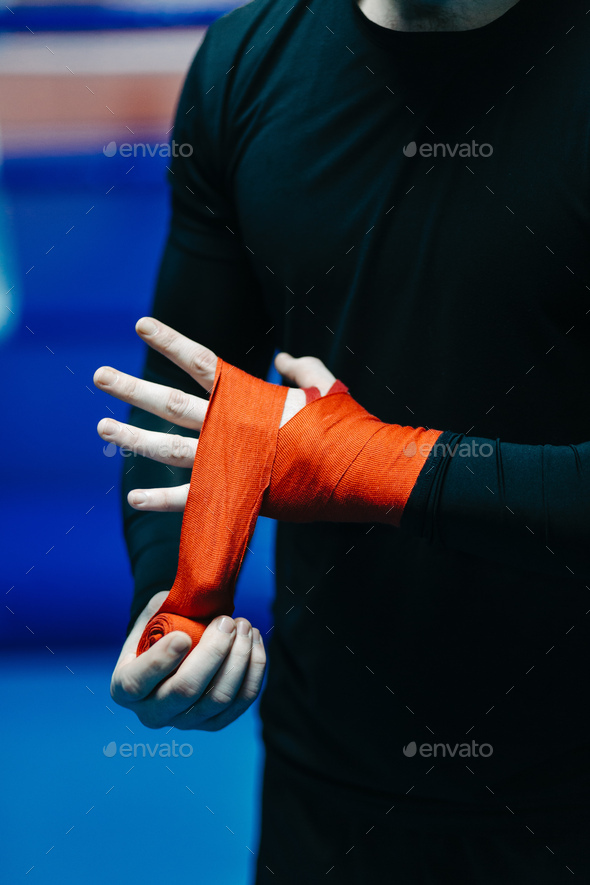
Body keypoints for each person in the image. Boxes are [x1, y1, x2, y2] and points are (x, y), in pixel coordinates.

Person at [94, 0, 590, 880]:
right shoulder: (249, 62)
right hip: (329, 793)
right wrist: (175, 606)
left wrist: (378, 467)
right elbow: (187, 396)